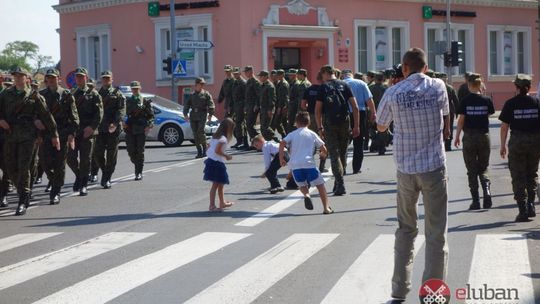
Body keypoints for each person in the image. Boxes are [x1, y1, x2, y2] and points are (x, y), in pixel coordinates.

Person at [376, 48, 450, 302]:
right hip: (433, 168)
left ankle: (398, 291)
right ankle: (432, 293)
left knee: (406, 229)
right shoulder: (439, 86)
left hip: (406, 170)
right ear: (426, 67)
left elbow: (381, 125)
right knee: (436, 232)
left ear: (404, 68)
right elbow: (444, 114)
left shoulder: (393, 92)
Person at [0, 67, 60, 215]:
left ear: (27, 78)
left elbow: (46, 116)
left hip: (28, 137)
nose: (18, 78)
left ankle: (23, 200)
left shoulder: (34, 96)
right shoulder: (5, 94)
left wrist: (55, 135)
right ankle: (23, 191)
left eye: (21, 76)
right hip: (10, 135)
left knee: (24, 168)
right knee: (10, 168)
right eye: (16, 76)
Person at [499, 74, 540, 222]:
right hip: (535, 142)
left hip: (517, 143)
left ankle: (522, 210)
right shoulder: (537, 102)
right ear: (529, 87)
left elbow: (504, 127)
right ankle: (531, 205)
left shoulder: (510, 103)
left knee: (518, 176)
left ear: (516, 87)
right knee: (531, 174)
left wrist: (503, 145)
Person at [315, 65, 360, 196]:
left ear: (324, 73)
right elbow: (355, 107)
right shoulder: (344, 85)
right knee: (343, 152)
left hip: (330, 123)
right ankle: (338, 182)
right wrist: (356, 126)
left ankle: (340, 184)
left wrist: (319, 127)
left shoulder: (323, 87)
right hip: (345, 122)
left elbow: (318, 110)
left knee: (334, 155)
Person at [454, 73, 495, 210]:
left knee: (471, 170)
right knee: (483, 168)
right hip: (484, 136)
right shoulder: (487, 100)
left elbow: (461, 120)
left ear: (469, 85)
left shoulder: (465, 101)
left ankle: (476, 201)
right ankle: (487, 191)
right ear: (480, 85)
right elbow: (489, 114)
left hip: (470, 137)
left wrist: (457, 136)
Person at [279, 111, 333, 214]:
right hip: (309, 164)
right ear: (308, 123)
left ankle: (306, 195)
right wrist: (324, 154)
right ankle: (326, 208)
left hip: (295, 166)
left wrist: (281, 158)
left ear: (296, 123)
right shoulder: (312, 134)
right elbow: (323, 147)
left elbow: (282, 143)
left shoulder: (292, 134)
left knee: (302, 185)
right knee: (320, 185)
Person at [39, 68, 79, 205]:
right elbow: (34, 114)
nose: (50, 80)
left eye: (53, 78)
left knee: (59, 164)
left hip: (62, 134)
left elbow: (74, 117)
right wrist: (36, 122)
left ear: (58, 79)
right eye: (48, 78)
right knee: (44, 163)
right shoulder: (41, 95)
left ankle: (55, 192)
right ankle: (54, 180)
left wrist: (71, 135)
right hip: (45, 134)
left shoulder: (66, 95)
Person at [67, 67, 103, 196]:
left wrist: (92, 127)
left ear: (86, 78)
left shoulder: (94, 94)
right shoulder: (71, 93)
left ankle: (83, 185)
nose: (79, 79)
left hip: (88, 131)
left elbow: (99, 114)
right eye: (77, 77)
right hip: (74, 131)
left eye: (82, 76)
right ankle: (79, 175)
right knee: (70, 157)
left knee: (85, 159)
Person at [94, 70, 125, 189]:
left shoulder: (118, 94)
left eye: (108, 78)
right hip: (100, 128)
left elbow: (121, 110)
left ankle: (107, 178)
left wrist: (115, 123)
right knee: (97, 153)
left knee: (111, 155)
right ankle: (105, 171)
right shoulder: (97, 94)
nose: (106, 80)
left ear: (112, 79)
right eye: (104, 78)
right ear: (102, 80)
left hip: (113, 128)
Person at [343, 69, 376, 174]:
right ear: (351, 75)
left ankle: (341, 168)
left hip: (344, 114)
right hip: (360, 114)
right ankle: (356, 168)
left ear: (343, 76)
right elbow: (369, 100)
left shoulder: (340, 84)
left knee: (343, 142)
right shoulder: (361, 83)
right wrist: (373, 113)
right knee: (358, 142)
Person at [203, 118, 235, 212]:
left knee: (220, 184)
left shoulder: (215, 136)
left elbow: (208, 147)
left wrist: (211, 154)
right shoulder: (223, 139)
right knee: (216, 185)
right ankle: (212, 206)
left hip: (213, 161)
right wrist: (226, 156)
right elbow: (217, 150)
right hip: (216, 163)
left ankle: (222, 202)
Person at [125, 81, 154, 180]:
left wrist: (149, 125)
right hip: (130, 128)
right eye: (133, 88)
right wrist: (123, 122)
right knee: (131, 151)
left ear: (140, 88)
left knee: (140, 151)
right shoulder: (128, 101)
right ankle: (137, 163)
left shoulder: (145, 101)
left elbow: (151, 116)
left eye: (137, 88)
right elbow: (123, 113)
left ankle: (138, 172)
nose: (135, 90)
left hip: (141, 129)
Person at [301, 72, 327, 173]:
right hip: (323, 117)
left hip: (311, 116)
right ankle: (322, 165)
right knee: (323, 141)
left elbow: (303, 104)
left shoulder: (309, 89)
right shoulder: (325, 89)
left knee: (310, 141)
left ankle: (309, 164)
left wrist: (309, 109)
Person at [184, 77, 215, 158]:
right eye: (201, 84)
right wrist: (185, 114)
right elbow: (187, 105)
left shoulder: (206, 94)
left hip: (202, 114)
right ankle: (199, 151)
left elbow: (211, 104)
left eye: (203, 84)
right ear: (196, 84)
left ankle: (205, 149)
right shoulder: (191, 95)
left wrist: (210, 114)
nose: (202, 86)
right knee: (195, 134)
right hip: (193, 115)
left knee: (200, 132)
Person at [437, 72, 459, 151]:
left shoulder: (437, 87)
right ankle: (448, 144)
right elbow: (456, 100)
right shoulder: (450, 88)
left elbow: (455, 100)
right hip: (449, 111)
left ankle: (443, 144)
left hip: (440, 110)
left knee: (441, 127)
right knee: (449, 127)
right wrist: (457, 111)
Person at [369, 72, 389, 154]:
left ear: (375, 79)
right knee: (383, 130)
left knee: (372, 128)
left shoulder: (371, 88)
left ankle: (375, 144)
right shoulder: (386, 88)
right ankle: (381, 147)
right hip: (384, 111)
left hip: (373, 111)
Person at [231, 67, 248, 149]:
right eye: (234, 74)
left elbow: (246, 96)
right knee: (238, 123)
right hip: (236, 106)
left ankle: (242, 141)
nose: (235, 75)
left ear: (240, 73)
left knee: (241, 123)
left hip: (242, 105)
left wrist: (245, 107)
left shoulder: (243, 83)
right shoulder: (235, 82)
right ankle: (240, 141)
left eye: (237, 73)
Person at [243, 66, 261, 146]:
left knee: (250, 125)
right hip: (249, 106)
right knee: (248, 125)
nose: (245, 73)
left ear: (251, 71)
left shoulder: (255, 82)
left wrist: (257, 105)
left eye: (246, 71)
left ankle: (258, 141)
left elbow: (258, 95)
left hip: (253, 106)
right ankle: (255, 142)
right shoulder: (248, 82)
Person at [258, 70, 276, 141]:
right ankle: (267, 142)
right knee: (263, 127)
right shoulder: (263, 85)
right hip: (263, 109)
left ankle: (277, 139)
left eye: (261, 76)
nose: (260, 78)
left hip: (268, 109)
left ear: (266, 77)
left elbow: (272, 99)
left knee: (266, 127)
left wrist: (270, 110)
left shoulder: (270, 86)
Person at [272, 69, 289, 138]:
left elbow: (284, 97)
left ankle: (285, 136)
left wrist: (280, 107)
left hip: (282, 106)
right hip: (279, 105)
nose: (277, 77)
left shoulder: (284, 84)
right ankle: (285, 137)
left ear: (282, 75)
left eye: (278, 75)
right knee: (282, 122)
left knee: (278, 122)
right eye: (277, 75)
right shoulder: (280, 83)